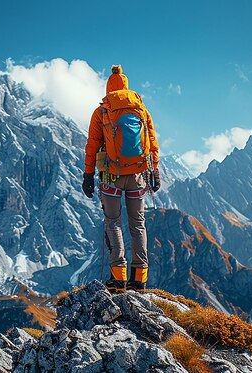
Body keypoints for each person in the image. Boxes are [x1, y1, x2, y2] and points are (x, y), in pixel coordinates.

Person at [82, 65, 160, 293]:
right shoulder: (141, 109)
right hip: (138, 175)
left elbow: (92, 146)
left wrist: (88, 175)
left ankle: (118, 278)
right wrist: (155, 172)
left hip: (111, 177)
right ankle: (140, 279)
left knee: (113, 222)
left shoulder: (103, 111)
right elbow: (152, 143)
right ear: (126, 85)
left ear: (109, 87)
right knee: (138, 224)